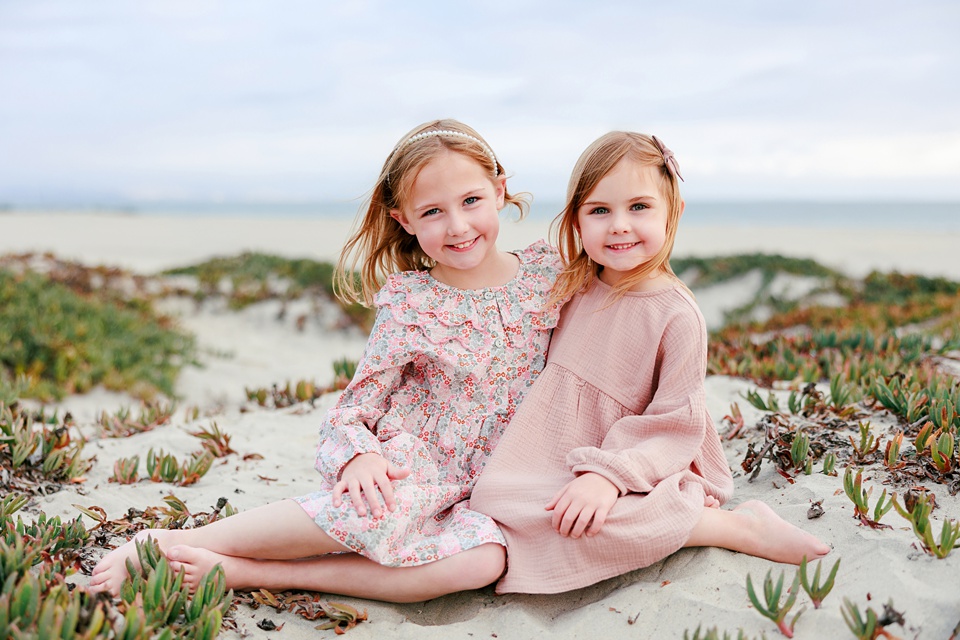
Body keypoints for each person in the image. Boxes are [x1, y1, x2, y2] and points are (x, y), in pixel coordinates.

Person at [90, 119, 564, 602]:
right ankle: (173, 542)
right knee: (375, 510)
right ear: (404, 219)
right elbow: (358, 403)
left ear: (500, 190)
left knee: (482, 563)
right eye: (433, 212)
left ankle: (250, 572)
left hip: (501, 483)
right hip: (417, 465)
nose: (458, 226)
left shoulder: (550, 274)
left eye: (471, 201)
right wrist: (360, 456)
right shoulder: (411, 302)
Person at [470, 131, 830, 594]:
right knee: (495, 501)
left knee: (592, 519)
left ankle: (731, 528)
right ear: (577, 220)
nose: (619, 224)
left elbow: (676, 423)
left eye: (639, 207)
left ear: (672, 212)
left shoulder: (677, 315)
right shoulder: (570, 281)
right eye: (600, 210)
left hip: (645, 453)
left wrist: (608, 476)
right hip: (553, 447)